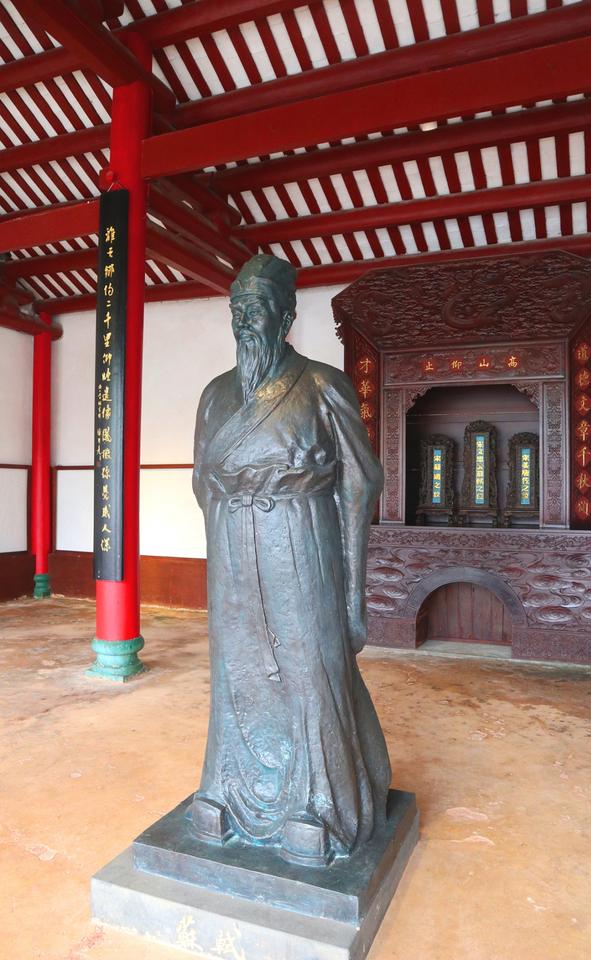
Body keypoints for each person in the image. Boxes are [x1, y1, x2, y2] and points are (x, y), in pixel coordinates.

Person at [191, 254, 390, 866]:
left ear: (285, 317)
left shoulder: (322, 385)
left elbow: (360, 483)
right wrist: (236, 522)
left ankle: (321, 804)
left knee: (309, 665)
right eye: (236, 310)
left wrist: (352, 592)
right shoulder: (214, 395)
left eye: (254, 309)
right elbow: (202, 481)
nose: (243, 321)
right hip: (233, 544)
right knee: (237, 665)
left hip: (302, 542)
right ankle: (227, 791)